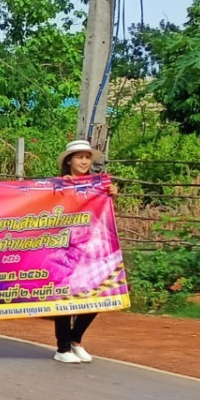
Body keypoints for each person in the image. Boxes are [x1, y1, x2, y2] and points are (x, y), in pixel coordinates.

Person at [48, 139, 120, 364]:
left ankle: (75, 339)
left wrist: (111, 194)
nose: (84, 161)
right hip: (66, 246)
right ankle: (62, 348)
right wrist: (62, 189)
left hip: (94, 245)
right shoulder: (58, 184)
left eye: (87, 157)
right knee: (66, 296)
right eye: (79, 157)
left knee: (97, 293)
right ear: (69, 160)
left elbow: (104, 211)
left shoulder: (99, 184)